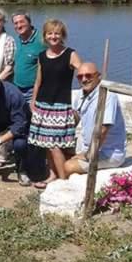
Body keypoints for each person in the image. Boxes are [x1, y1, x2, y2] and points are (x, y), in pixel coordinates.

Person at [28, 19, 82, 185]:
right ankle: (52, 175)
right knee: (46, 144)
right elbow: (38, 81)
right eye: (50, 33)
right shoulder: (42, 56)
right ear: (45, 36)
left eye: (57, 33)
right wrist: (33, 100)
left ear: (62, 35)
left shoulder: (70, 54)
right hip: (43, 106)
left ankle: (63, 179)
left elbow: (83, 73)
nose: (53, 36)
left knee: (55, 145)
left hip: (60, 106)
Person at [64, 62, 127, 176]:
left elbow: (102, 131)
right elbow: (76, 115)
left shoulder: (107, 96)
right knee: (58, 150)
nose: (84, 79)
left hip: (107, 152)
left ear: (98, 76)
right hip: (87, 146)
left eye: (88, 76)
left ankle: (63, 186)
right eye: (80, 76)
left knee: (67, 167)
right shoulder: (81, 94)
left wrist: (88, 155)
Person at [12, 11, 44, 105]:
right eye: (16, 23)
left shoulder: (42, 40)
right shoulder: (17, 40)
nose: (19, 25)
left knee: (33, 118)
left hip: (33, 91)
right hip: (17, 89)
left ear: (29, 22)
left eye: (22, 22)